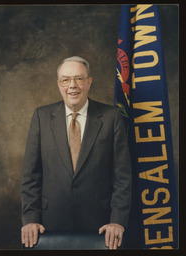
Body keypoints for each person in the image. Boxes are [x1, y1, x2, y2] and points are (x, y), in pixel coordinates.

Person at [21, 56, 132, 250]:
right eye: (66, 80)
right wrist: (30, 218)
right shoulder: (41, 116)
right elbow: (31, 175)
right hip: (49, 225)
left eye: (79, 79)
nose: (72, 85)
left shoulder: (111, 117)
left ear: (89, 82)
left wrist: (117, 221)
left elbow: (122, 176)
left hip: (101, 227)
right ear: (59, 84)